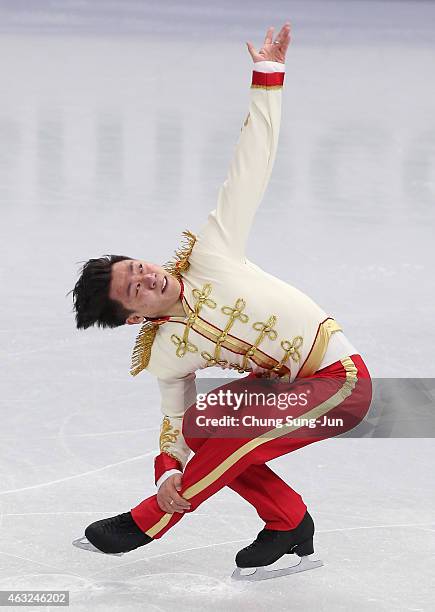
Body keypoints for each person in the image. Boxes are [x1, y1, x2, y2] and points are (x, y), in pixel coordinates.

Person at [71, 22, 372, 577]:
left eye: (139, 267)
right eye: (134, 288)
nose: (148, 277)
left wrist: (268, 77)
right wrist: (166, 472)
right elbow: (172, 426)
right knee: (200, 424)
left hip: (339, 381)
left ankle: (148, 523)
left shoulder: (213, 253)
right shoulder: (165, 350)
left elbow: (250, 166)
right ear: (134, 316)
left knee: (240, 434)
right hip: (279, 391)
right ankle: (290, 523)